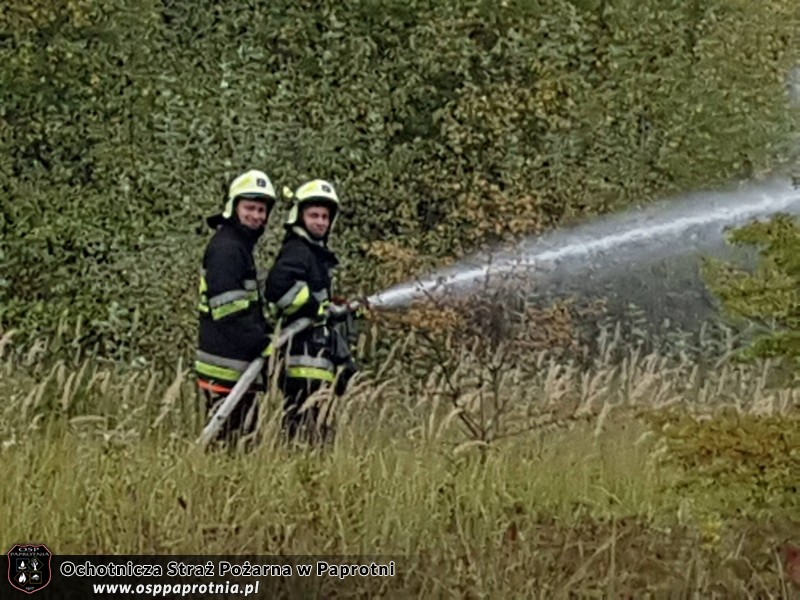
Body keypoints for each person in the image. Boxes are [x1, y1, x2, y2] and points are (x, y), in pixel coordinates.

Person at [264, 179, 359, 443]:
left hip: (315, 363)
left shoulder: (313, 253)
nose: (320, 222)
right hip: (302, 363)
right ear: (299, 216)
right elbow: (278, 288)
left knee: (315, 433)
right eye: (314, 215)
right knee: (303, 433)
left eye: (325, 217)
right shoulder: (297, 250)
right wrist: (316, 309)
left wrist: (333, 305)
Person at [195, 169, 276, 448]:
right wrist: (262, 343)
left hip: (236, 366)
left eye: (261, 210)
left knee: (240, 445)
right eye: (250, 208)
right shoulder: (227, 249)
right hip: (224, 367)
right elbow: (228, 310)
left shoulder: (239, 246)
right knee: (230, 447)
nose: (257, 216)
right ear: (233, 207)